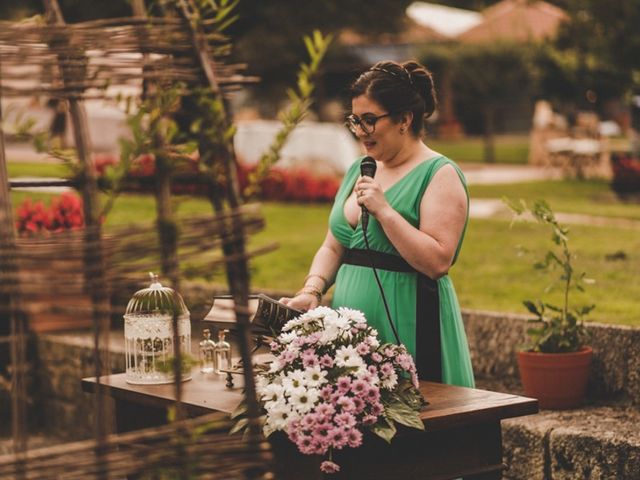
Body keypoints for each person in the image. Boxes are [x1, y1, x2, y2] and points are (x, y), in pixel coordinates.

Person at [280, 60, 474, 388]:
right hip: (350, 328)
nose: (359, 130)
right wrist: (312, 289)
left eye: (369, 120)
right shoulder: (360, 168)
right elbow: (334, 244)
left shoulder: (440, 174)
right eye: (355, 120)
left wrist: (385, 211)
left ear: (404, 120)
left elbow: (438, 261)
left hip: (410, 321)